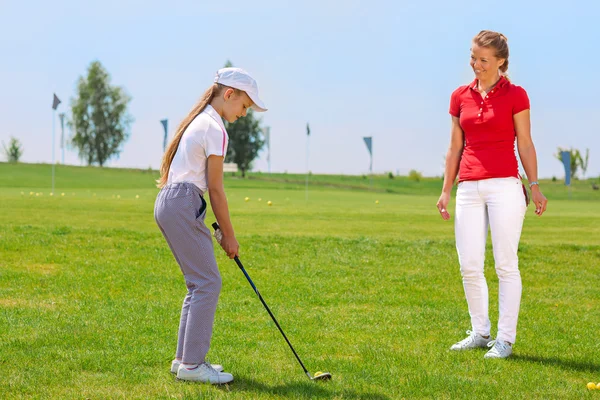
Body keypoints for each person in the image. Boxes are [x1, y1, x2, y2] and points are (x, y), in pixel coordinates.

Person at [436, 30, 548, 359]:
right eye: (473, 57)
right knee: (469, 264)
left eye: (483, 60)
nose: (476, 64)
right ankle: (480, 331)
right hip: (469, 186)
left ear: (500, 61)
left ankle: (505, 340)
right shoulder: (460, 96)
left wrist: (535, 185)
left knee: (505, 264)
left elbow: (524, 142)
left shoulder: (516, 95)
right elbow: (455, 146)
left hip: (505, 186)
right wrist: (445, 190)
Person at [154, 67, 267, 383]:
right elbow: (215, 189)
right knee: (208, 282)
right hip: (182, 202)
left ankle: (184, 360)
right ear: (229, 94)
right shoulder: (215, 128)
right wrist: (230, 236)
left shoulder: (201, 119)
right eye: (244, 106)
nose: (244, 114)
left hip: (171, 202)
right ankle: (192, 365)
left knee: (198, 282)